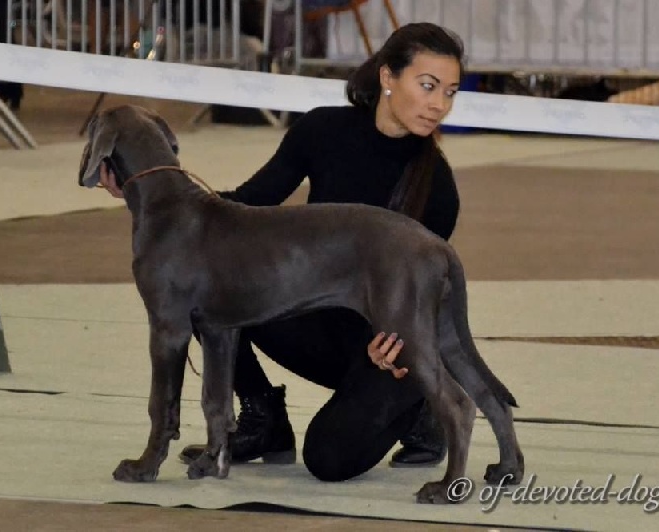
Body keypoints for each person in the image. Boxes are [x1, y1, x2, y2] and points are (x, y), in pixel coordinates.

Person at [100, 22, 465, 481]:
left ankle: (420, 411)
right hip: (315, 319)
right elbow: (246, 203)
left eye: (450, 92)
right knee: (210, 275)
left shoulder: (438, 190)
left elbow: (420, 298)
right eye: (428, 86)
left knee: (329, 460)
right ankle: (263, 417)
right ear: (388, 77)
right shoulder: (322, 131)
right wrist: (149, 188)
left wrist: (397, 346)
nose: (439, 105)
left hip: (381, 347)